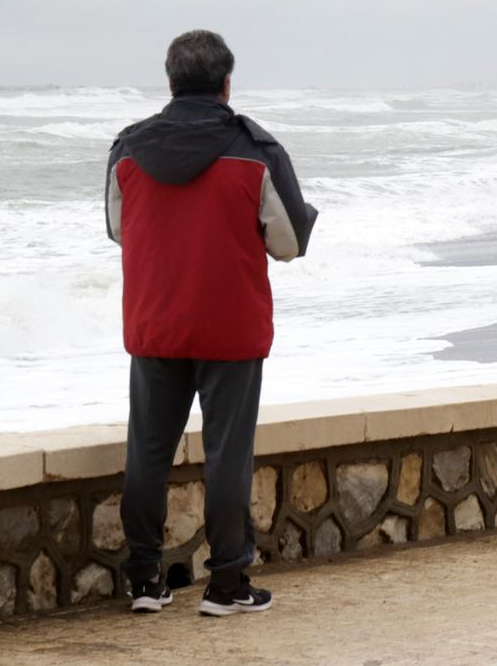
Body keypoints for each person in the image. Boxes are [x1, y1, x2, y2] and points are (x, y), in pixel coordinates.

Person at [105, 30, 319, 617]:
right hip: (230, 325)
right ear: (227, 84)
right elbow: (289, 243)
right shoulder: (255, 149)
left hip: (155, 322)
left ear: (170, 81)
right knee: (228, 452)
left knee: (148, 450)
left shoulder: (127, 149)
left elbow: (120, 230)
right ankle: (226, 584)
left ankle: (145, 580)